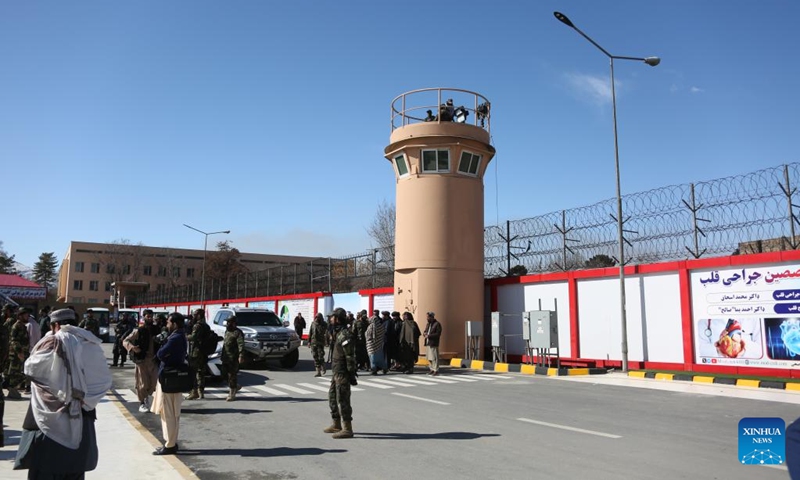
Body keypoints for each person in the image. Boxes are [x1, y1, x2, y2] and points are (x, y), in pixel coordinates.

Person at [13, 308, 112, 478]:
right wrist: (83, 397)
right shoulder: (92, 344)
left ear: (56, 325)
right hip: (82, 419)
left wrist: (62, 389)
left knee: (45, 469)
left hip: (47, 422)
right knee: (74, 470)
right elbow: (103, 381)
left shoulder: (51, 342)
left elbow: (31, 369)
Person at [151, 312, 188, 455]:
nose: (167, 324)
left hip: (168, 378)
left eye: (168, 322)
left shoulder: (174, 338)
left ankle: (170, 444)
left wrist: (163, 344)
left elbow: (160, 354)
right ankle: (172, 442)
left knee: (168, 413)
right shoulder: (180, 335)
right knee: (173, 412)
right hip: (174, 378)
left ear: (175, 324)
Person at [323, 308, 357, 439]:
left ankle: (347, 428)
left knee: (343, 399)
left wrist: (351, 373)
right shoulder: (337, 333)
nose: (330, 319)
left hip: (342, 372)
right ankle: (336, 424)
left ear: (338, 319)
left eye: (332, 317)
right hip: (336, 371)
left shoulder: (344, 334)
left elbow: (350, 356)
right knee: (332, 397)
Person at [124, 309, 160, 413]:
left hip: (154, 360)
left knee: (154, 382)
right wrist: (132, 347)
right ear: (143, 317)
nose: (150, 318)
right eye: (148, 316)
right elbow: (125, 340)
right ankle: (142, 402)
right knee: (142, 383)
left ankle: (147, 397)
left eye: (151, 316)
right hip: (142, 360)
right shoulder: (139, 330)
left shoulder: (157, 329)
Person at [6, 307, 31, 399]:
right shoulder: (16, 326)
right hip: (16, 355)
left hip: (22, 354)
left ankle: (13, 391)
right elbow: (13, 340)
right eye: (26, 315)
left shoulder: (23, 326)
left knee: (19, 373)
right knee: (14, 373)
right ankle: (12, 391)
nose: (28, 316)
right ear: (20, 316)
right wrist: (19, 352)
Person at [186, 309, 209, 400]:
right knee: (201, 372)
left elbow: (193, 337)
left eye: (195, 314)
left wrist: (186, 336)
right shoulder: (206, 325)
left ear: (199, 315)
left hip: (196, 352)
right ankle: (201, 392)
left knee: (193, 372)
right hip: (204, 351)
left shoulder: (197, 325)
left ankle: (194, 391)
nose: (193, 316)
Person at [221, 316, 245, 401]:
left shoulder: (237, 332)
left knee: (232, 375)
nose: (228, 324)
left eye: (229, 322)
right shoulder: (227, 331)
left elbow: (241, 344)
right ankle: (235, 386)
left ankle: (232, 394)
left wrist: (241, 355)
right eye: (227, 322)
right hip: (225, 357)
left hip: (233, 358)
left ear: (234, 323)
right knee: (223, 374)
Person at [308, 313, 328, 377]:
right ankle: (318, 371)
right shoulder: (313, 323)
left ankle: (323, 365)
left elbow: (327, 333)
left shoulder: (324, 324)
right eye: (316, 317)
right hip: (313, 342)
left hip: (320, 342)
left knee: (320, 356)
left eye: (318, 317)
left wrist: (327, 341)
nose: (316, 318)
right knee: (315, 356)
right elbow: (310, 332)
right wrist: (309, 342)